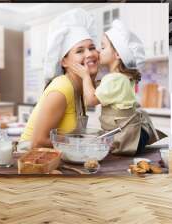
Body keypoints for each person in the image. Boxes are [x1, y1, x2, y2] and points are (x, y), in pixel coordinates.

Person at [69, 20, 166, 156]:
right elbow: (98, 90)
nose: (98, 51)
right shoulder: (123, 77)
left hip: (129, 139)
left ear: (118, 54)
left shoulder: (114, 79)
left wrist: (85, 76)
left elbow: (91, 100)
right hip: (137, 134)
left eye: (103, 47)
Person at [20, 8, 99, 148]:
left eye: (92, 48)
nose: (89, 54)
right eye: (80, 51)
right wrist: (83, 144)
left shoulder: (82, 87)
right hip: (32, 159)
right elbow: (38, 141)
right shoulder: (62, 89)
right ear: (64, 61)